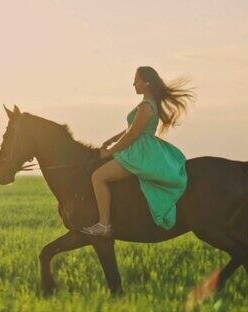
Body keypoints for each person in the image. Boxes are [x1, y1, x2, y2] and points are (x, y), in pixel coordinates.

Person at [81, 66, 195, 236]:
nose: (133, 83)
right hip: (140, 148)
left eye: (137, 80)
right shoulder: (147, 104)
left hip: (139, 152)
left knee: (98, 176)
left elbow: (133, 134)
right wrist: (113, 138)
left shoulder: (146, 106)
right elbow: (132, 128)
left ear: (146, 83)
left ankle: (104, 224)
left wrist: (110, 151)